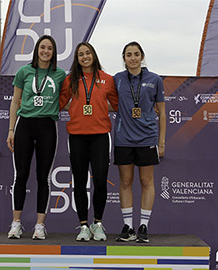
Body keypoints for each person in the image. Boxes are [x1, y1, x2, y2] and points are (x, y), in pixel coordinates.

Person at [6, 35, 66, 240]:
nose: (46, 51)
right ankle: (16, 224)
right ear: (37, 50)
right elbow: (15, 102)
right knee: (20, 176)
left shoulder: (60, 75)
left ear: (53, 52)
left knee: (43, 178)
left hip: (47, 126)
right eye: (43, 47)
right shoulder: (24, 72)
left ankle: (40, 226)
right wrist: (11, 130)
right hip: (25, 125)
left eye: (50, 48)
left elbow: (68, 98)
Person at [59, 42, 118, 241]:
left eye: (88, 53)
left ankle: (98, 223)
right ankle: (84, 225)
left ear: (94, 55)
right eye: (81, 54)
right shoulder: (70, 80)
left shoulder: (107, 79)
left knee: (101, 181)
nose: (85, 56)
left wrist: (145, 109)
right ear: (77, 59)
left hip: (101, 136)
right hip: (77, 136)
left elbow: (119, 104)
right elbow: (58, 103)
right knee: (80, 181)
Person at [114, 41, 166, 243]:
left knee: (147, 181)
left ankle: (143, 226)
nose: (133, 58)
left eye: (136, 54)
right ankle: (128, 227)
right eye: (129, 54)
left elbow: (161, 112)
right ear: (124, 58)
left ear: (142, 56)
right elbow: (110, 104)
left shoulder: (155, 79)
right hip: (123, 138)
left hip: (147, 138)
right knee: (126, 182)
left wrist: (161, 143)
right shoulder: (117, 79)